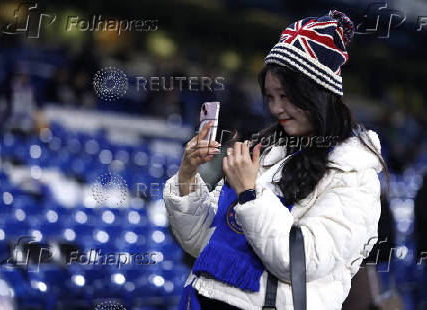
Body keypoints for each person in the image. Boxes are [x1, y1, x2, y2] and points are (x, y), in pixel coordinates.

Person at [163, 10, 388, 310]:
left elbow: (301, 261)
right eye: (270, 97)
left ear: (317, 94)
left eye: (286, 96)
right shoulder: (266, 149)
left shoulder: (355, 172)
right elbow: (201, 240)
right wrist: (187, 178)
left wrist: (250, 195)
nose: (276, 108)